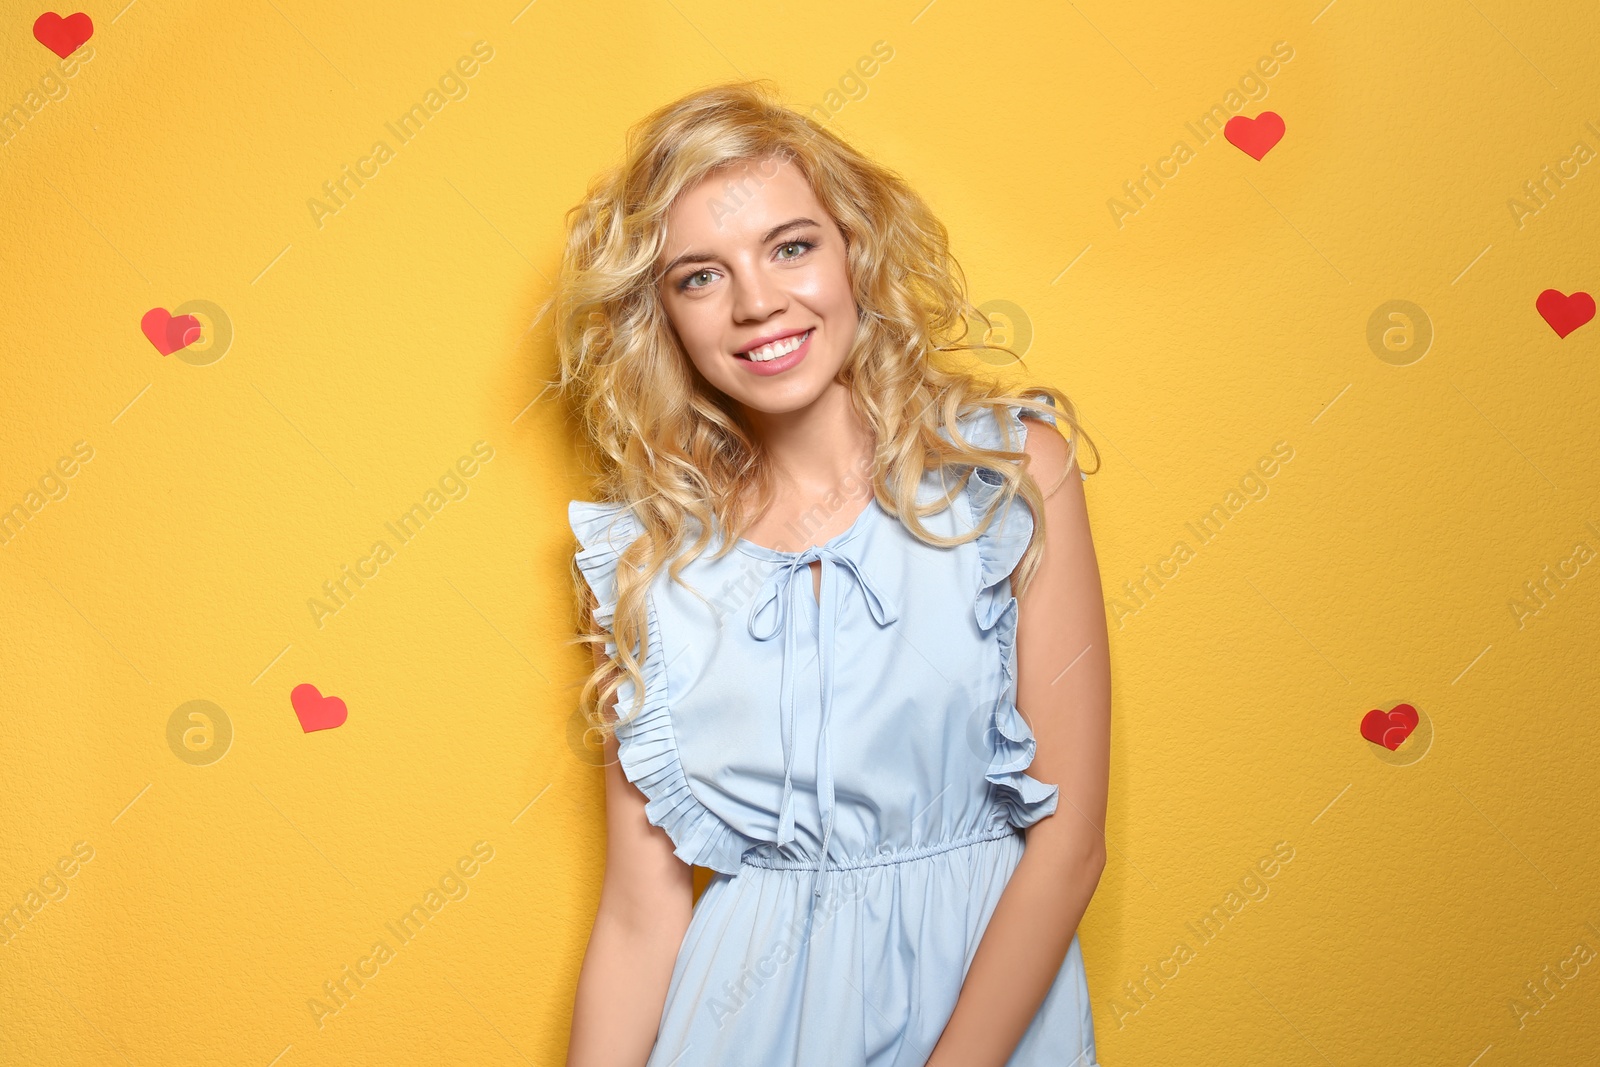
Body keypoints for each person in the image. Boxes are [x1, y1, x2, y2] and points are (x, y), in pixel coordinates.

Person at [555, 80, 1111, 1067]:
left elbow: (1066, 850)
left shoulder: (1010, 477)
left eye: (791, 245)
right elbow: (641, 917)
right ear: (663, 316)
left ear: (855, 248)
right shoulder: (648, 561)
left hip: (983, 1026)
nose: (757, 301)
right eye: (699, 276)